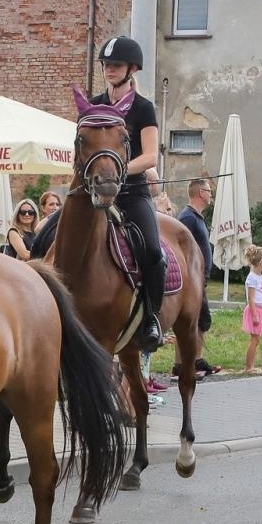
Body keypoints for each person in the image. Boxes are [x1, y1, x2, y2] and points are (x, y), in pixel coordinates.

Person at [91, 35, 165, 349]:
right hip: (94, 193)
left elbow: (150, 156)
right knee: (49, 239)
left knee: (151, 251)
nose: (109, 70)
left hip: (131, 193)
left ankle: (151, 317)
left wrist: (120, 171)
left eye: (116, 65)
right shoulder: (94, 104)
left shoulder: (143, 108)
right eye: (106, 64)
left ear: (131, 68)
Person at [176, 175, 220, 375]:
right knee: (191, 321)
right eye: (209, 191)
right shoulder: (187, 217)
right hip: (191, 279)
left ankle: (196, 359)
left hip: (199, 278)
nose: (211, 195)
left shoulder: (196, 217)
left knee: (201, 320)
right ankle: (183, 364)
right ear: (201, 193)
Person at [241, 244, 262, 374]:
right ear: (261, 263)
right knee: (255, 340)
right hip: (255, 311)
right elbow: (251, 299)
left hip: (260, 311)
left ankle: (251, 366)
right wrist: (254, 315)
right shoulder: (252, 278)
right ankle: (249, 367)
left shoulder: (260, 276)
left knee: (256, 340)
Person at [27, 190, 64, 259]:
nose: (55, 207)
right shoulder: (40, 225)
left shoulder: (61, 226)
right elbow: (38, 229)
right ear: (43, 208)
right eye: (51, 204)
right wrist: (56, 214)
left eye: (57, 204)